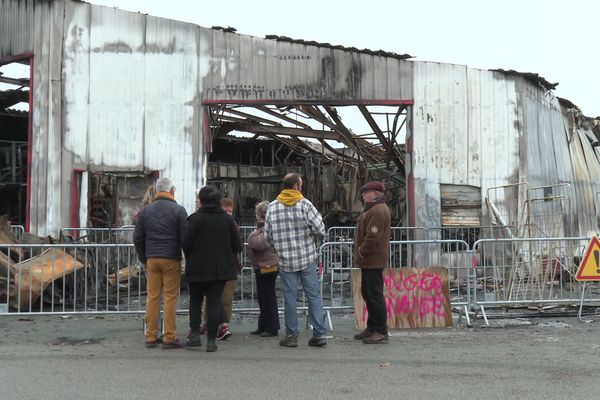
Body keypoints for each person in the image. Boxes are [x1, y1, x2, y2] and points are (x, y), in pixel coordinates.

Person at [265, 173, 327, 348]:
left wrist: (278, 249)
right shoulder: (305, 205)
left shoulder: (273, 207)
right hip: (306, 257)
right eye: (301, 185)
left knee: (289, 298)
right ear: (296, 187)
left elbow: (267, 236)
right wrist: (312, 239)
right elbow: (320, 229)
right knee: (313, 295)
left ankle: (291, 336)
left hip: (285, 260)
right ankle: (319, 334)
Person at [182, 186, 243, 352]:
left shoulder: (194, 219)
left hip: (198, 267)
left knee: (195, 301)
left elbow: (186, 243)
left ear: (201, 200)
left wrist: (191, 257)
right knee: (214, 302)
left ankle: (195, 335)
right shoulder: (227, 220)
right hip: (220, 269)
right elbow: (238, 245)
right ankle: (211, 341)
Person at [133, 177, 187, 349]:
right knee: (170, 298)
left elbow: (137, 237)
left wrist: (144, 257)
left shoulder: (146, 211)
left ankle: (150, 336)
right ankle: (169, 337)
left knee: (152, 297)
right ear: (171, 191)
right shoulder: (179, 210)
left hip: (152, 258)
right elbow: (185, 237)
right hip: (171, 257)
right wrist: (187, 257)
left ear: (157, 191)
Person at [353, 181, 391, 344]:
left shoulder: (377, 211)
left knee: (374, 295)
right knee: (368, 294)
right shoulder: (372, 209)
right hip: (369, 260)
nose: (363, 194)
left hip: (373, 259)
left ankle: (380, 330)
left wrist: (361, 251)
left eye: (366, 192)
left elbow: (372, 237)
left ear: (376, 193)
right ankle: (372, 327)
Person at [198, 197, 240, 340]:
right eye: (226, 210)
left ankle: (222, 324)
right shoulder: (216, 223)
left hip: (227, 265)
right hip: (220, 265)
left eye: (230, 211)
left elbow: (237, 245)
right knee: (213, 297)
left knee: (226, 298)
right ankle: (215, 324)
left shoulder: (232, 225)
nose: (228, 214)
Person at [247, 201, 280, 337]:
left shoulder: (267, 227)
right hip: (264, 264)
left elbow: (259, 243)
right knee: (263, 296)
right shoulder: (266, 226)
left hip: (267, 265)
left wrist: (251, 236)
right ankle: (263, 325)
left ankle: (272, 327)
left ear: (260, 214)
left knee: (267, 296)